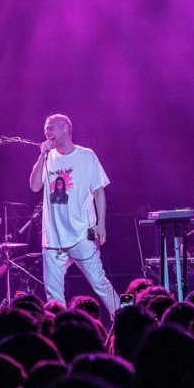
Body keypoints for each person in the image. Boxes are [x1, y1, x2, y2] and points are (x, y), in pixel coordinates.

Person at [29, 114, 120, 318]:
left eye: (51, 127)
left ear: (65, 129)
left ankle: (124, 317)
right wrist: (41, 157)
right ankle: (59, 330)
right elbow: (35, 186)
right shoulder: (47, 157)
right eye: (46, 128)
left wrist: (101, 225)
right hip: (53, 237)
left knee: (99, 282)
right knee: (53, 292)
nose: (47, 132)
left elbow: (99, 191)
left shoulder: (87, 156)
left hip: (81, 233)